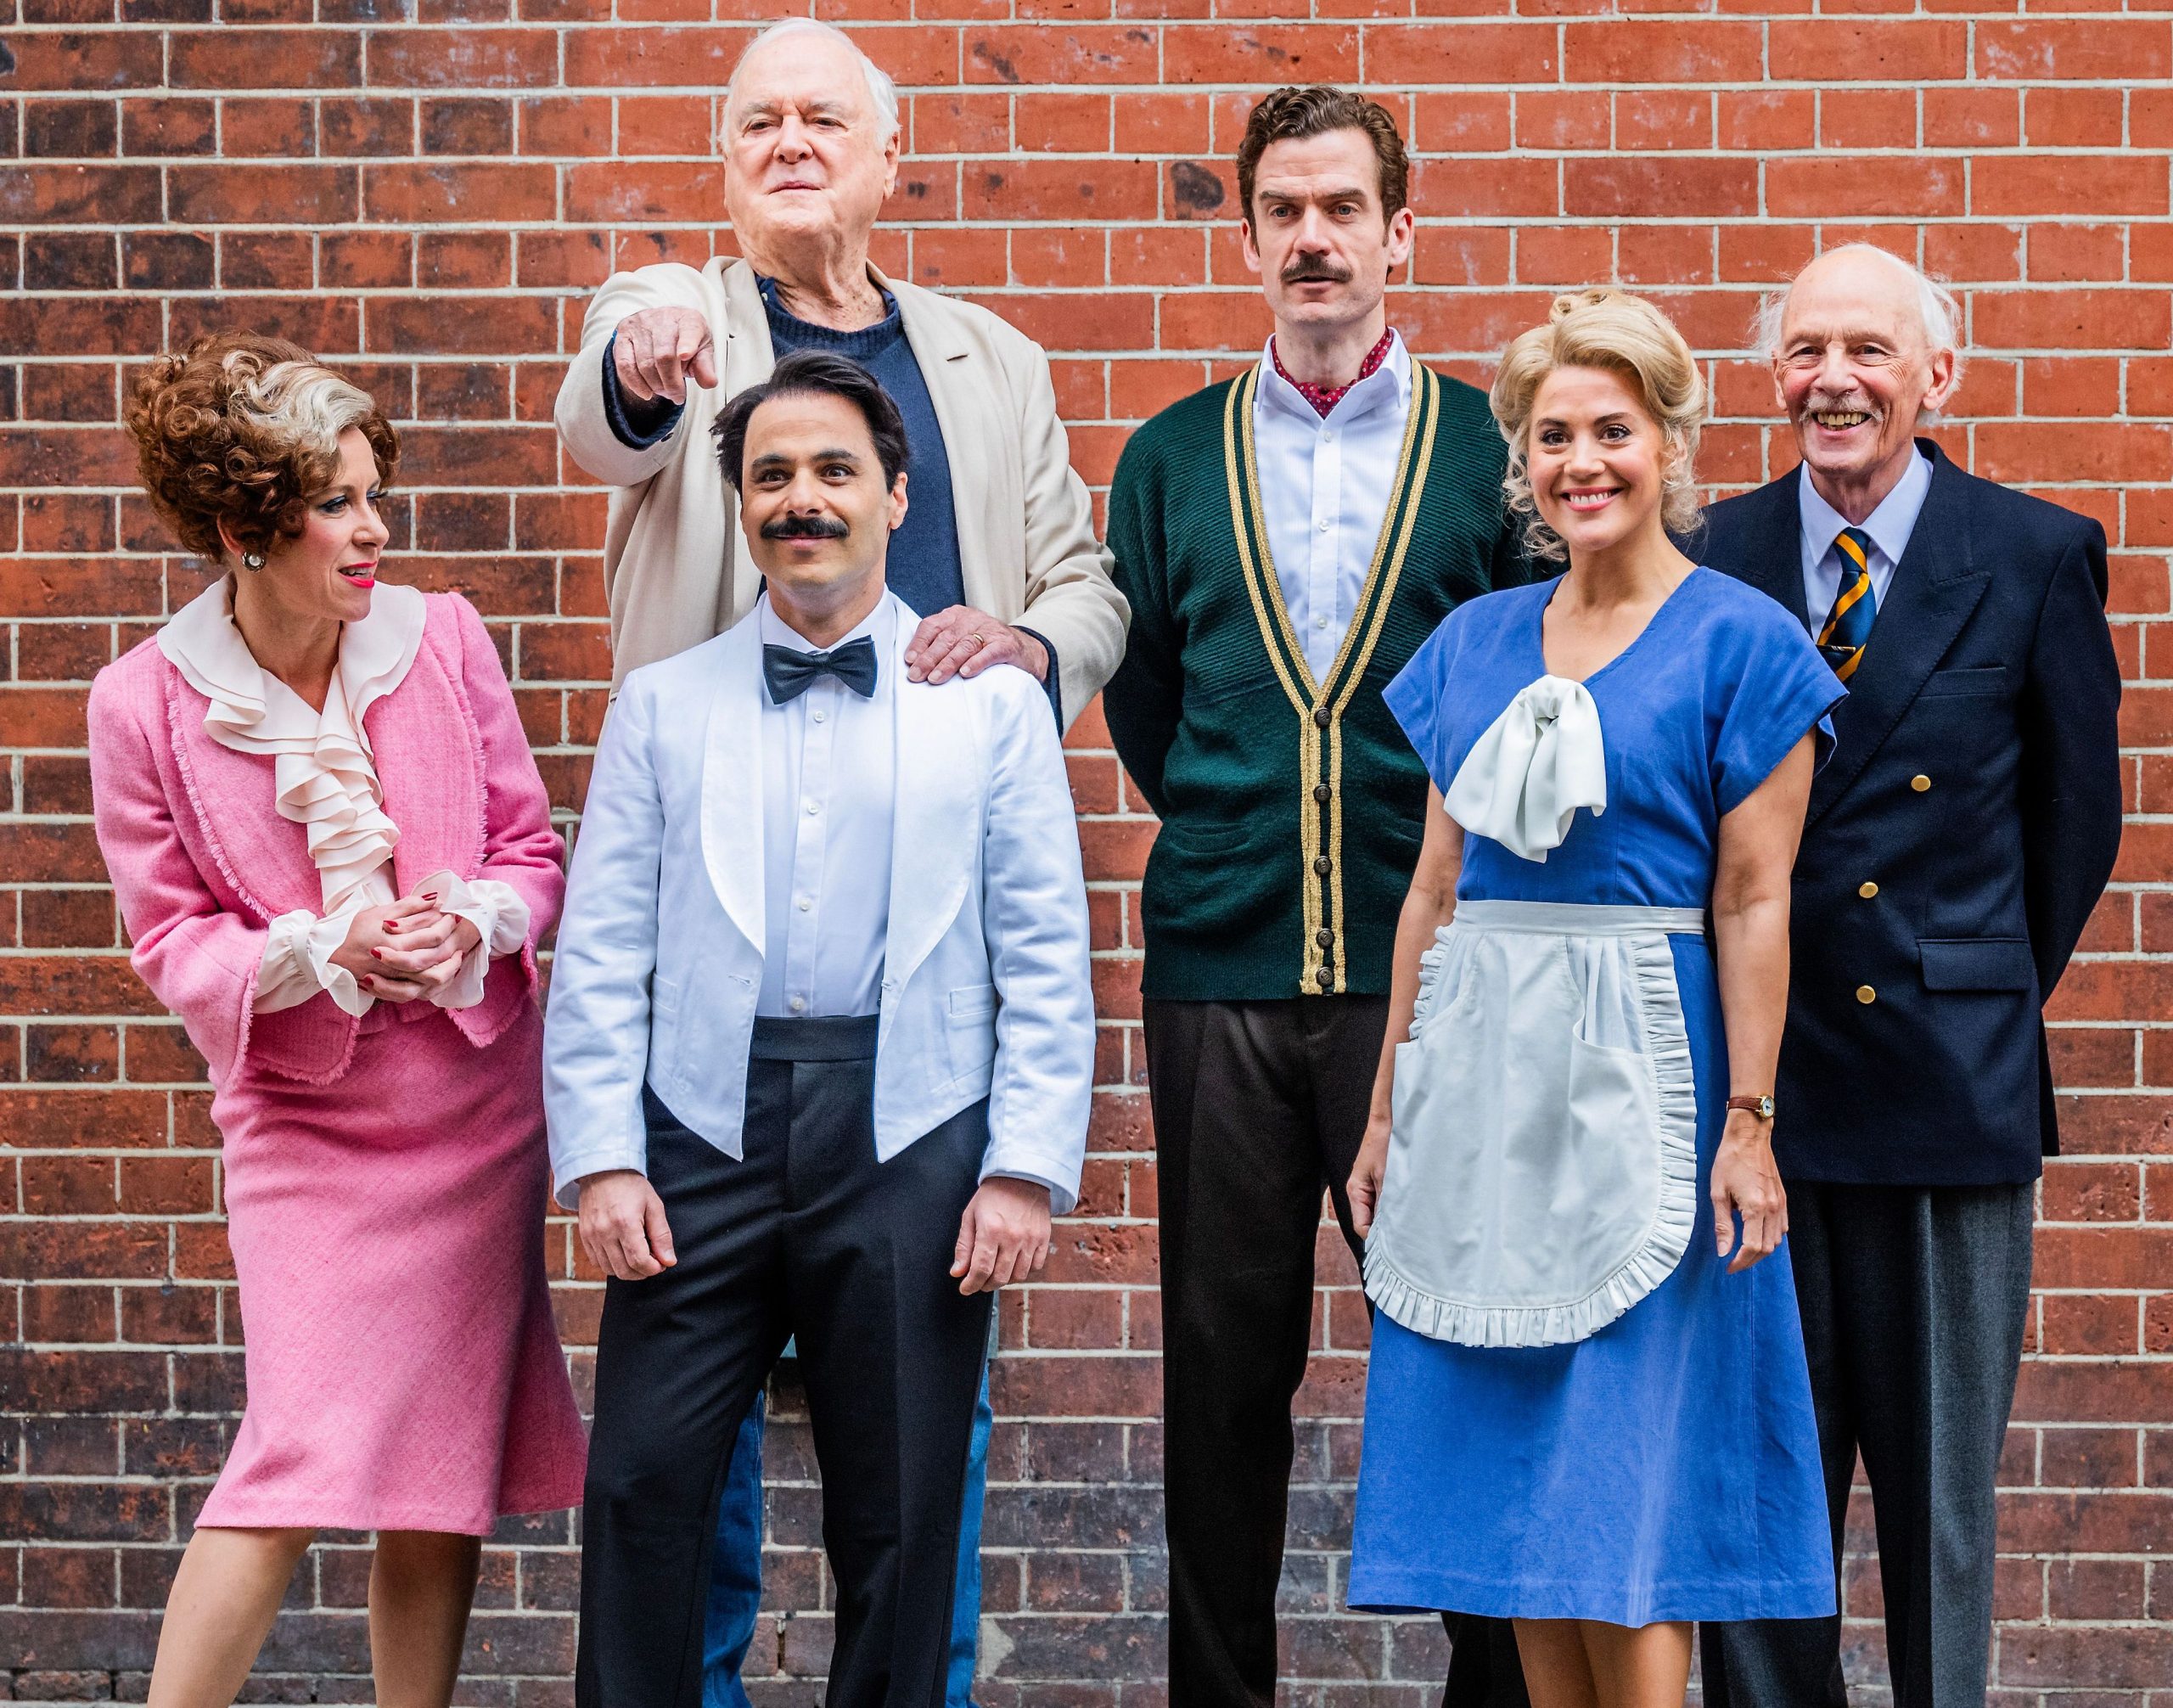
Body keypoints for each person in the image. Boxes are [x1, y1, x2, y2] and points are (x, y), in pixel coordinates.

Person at [545, 351, 1095, 1708]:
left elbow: (1044, 950)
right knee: (644, 1491)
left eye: (836, 471)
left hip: (914, 1130)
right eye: (773, 475)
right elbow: (605, 949)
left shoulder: (994, 705)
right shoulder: (662, 707)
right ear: (739, 506)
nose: (805, 499)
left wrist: (1023, 1167)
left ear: (898, 496)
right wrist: (603, 1158)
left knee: (904, 1515)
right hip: (695, 1135)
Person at [1342, 288, 1845, 1708]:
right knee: (1521, 1515)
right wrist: (1392, 1099)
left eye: (1612, 431)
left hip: (1648, 1077)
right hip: (1481, 1092)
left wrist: (1748, 1120)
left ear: (1670, 443)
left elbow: (1756, 899)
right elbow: (1433, 890)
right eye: (1554, 435)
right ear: (1524, 461)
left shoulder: (1743, 645)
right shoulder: (1477, 644)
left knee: (1620, 1501)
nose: (1584, 463)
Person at [1102, 84, 1530, 1708]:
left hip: (1433, 974)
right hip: (1220, 962)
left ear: (1399, 231)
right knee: (1221, 1368)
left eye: (1343, 207)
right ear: (1250, 237)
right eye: (1283, 211)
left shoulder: (1492, 446)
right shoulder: (1168, 455)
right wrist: (1242, 830)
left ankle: (1490, 1684)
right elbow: (1154, 701)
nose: (1314, 239)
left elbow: (1532, 692)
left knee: (1466, 1346)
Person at [86, 334, 587, 1708]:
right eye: (340, 503)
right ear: (248, 526)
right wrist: (320, 948)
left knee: (439, 1470)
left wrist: (467, 918)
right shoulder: (141, 705)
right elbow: (171, 942)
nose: (374, 530)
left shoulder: (447, 639)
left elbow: (534, 859)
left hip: (471, 1110)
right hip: (303, 1123)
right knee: (293, 1452)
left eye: (378, 493)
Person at [1697, 245, 2125, 1708]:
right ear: (1773, 375)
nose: (1835, 379)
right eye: (1806, 348)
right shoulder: (1713, 548)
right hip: (1758, 1099)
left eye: (1870, 350)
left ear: (1938, 373)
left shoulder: (2034, 551)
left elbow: (2076, 824)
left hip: (1950, 1092)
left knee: (1941, 1507)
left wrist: (1968, 980)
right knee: (1766, 1502)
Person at [551, 15, 1125, 723]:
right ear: (728, 162)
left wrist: (1031, 648)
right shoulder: (669, 307)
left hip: (947, 786)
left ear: (887, 160)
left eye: (823, 120)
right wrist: (635, 368)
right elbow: (593, 432)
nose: (790, 144)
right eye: (760, 125)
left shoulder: (999, 359)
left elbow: (1081, 583)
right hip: (718, 787)